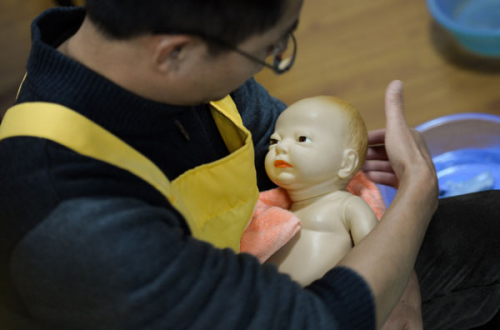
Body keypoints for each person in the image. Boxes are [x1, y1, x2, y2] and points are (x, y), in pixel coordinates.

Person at [0, 1, 498, 329]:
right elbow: (309, 321)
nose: (267, 65)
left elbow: (266, 130)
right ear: (175, 53)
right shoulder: (70, 213)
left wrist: (396, 263)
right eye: (269, 50)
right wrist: (415, 201)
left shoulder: (159, 60)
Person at [262, 96, 379, 286]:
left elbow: (378, 255)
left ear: (346, 163)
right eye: (274, 141)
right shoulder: (277, 216)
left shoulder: (347, 207)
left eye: (302, 139)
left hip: (332, 303)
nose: (280, 148)